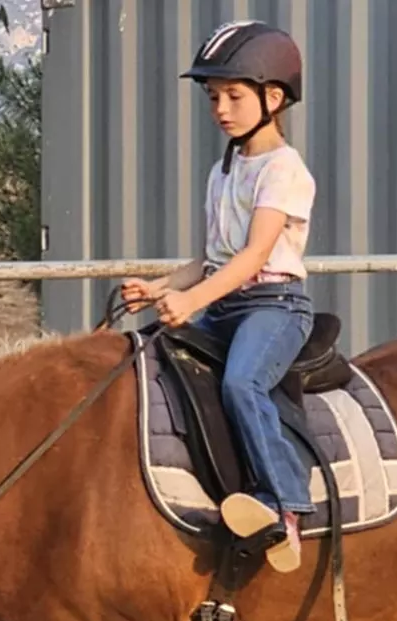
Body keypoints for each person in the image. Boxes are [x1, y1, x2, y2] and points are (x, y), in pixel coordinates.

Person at [122, 20, 317, 574]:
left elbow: (254, 256)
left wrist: (192, 302)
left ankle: (284, 504)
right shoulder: (224, 170)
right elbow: (212, 258)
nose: (221, 109)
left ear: (273, 98)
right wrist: (161, 288)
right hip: (226, 303)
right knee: (151, 359)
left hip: (274, 306)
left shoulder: (284, 170)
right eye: (213, 97)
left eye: (234, 96)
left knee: (241, 382)